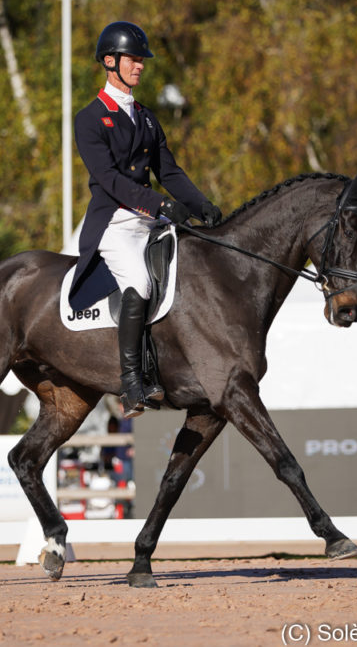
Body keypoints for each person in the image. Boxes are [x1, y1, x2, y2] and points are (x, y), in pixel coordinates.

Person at [70, 21, 222, 419]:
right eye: (133, 60)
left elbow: (168, 172)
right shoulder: (89, 119)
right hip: (115, 224)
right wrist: (159, 205)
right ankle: (132, 382)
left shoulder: (148, 118)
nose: (140, 66)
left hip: (150, 222)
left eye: (141, 60)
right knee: (138, 281)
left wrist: (203, 205)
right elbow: (110, 180)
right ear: (110, 62)